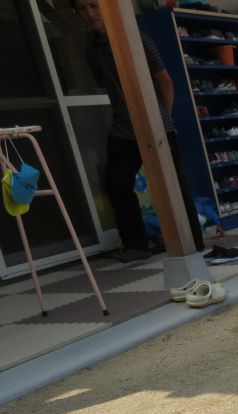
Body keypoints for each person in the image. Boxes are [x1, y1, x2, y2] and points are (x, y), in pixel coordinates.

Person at [73, 0, 204, 262]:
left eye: (94, 6)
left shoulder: (138, 39)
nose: (90, 13)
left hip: (156, 125)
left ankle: (194, 242)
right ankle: (136, 245)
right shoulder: (92, 51)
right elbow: (107, 86)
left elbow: (165, 82)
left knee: (174, 184)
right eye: (82, 8)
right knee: (117, 183)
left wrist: (164, 119)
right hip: (123, 128)